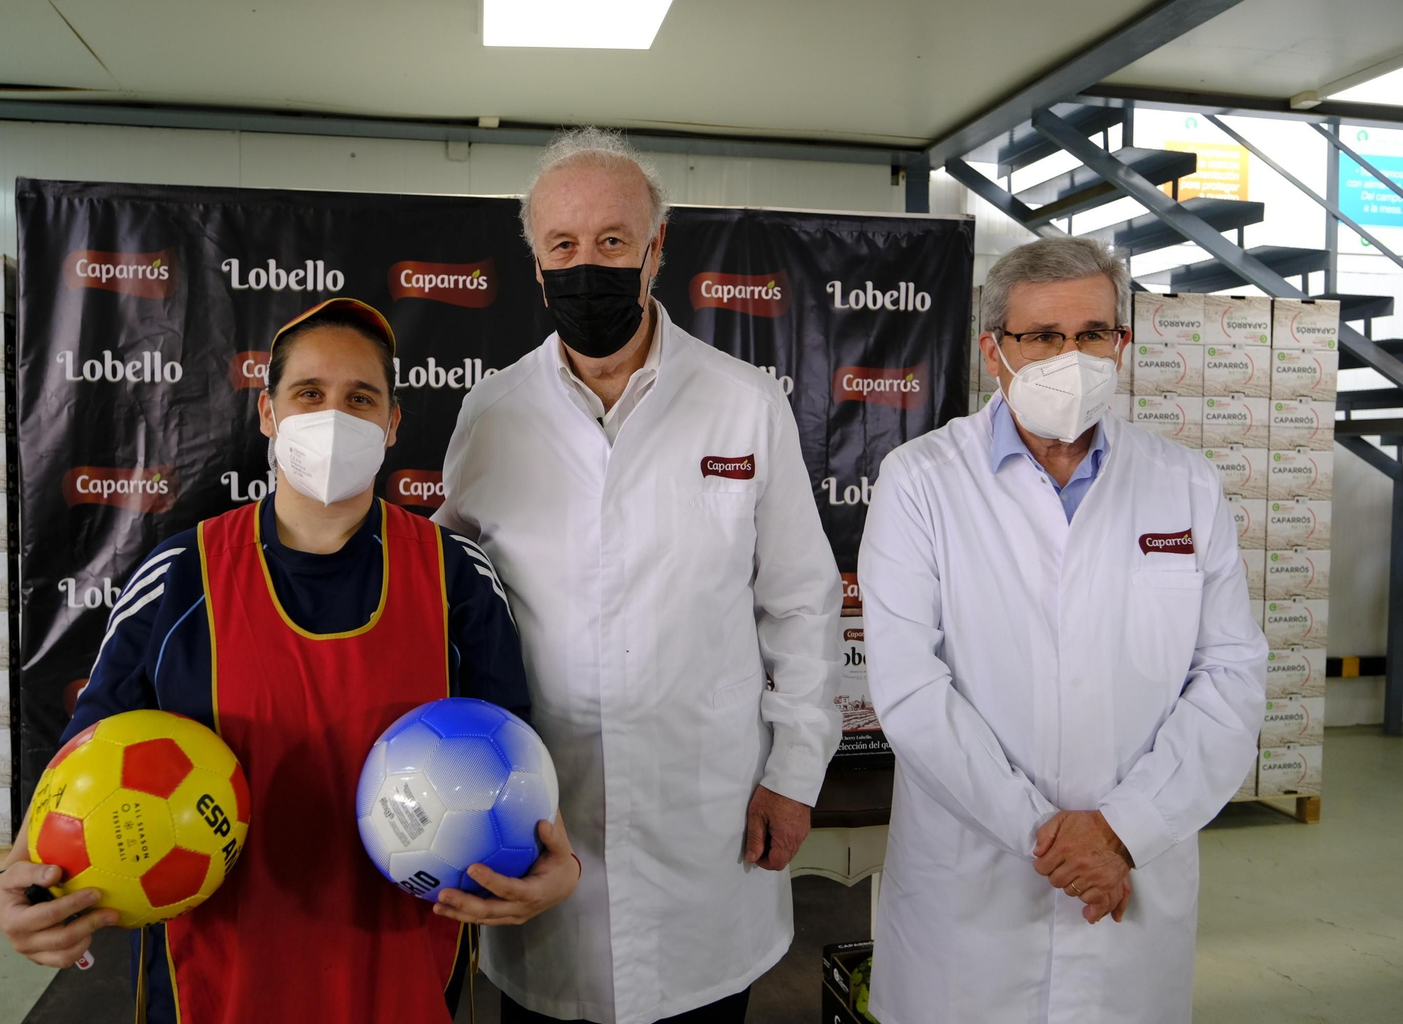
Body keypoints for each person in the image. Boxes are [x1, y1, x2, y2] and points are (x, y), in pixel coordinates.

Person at [0, 297, 579, 1023]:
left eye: (361, 398)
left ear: (393, 424)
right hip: (219, 980)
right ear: (268, 414)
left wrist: (560, 866)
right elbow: (86, 756)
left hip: (401, 971)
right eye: (309, 394)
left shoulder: (458, 577)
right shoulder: (179, 576)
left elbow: (518, 761)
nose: (335, 416)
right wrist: (11, 881)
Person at [433, 128, 842, 1024]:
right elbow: (443, 594)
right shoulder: (494, 413)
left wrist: (796, 773)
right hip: (543, 818)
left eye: (614, 242)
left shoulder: (744, 401)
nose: (590, 266)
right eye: (565, 247)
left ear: (657, 248)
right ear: (537, 267)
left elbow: (804, 602)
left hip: (707, 817)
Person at [857, 237, 1267, 1024]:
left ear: (1124, 343)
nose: (1070, 356)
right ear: (993, 351)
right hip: (973, 890)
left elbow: (1229, 678)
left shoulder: (1185, 485)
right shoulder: (922, 481)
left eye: (1093, 334)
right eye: (1042, 337)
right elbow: (911, 689)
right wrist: (1054, 839)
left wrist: (1120, 834)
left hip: (1130, 879)